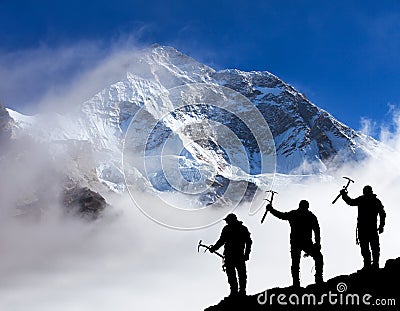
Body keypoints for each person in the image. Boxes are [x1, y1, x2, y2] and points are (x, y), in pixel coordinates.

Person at [266, 200, 323, 287]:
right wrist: (317, 243)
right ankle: (317, 278)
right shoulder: (310, 216)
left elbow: (281, 215)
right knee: (317, 257)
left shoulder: (294, 214)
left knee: (296, 263)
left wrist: (271, 210)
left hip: (296, 242)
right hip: (305, 243)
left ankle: (296, 283)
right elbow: (317, 230)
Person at [340, 185, 386, 270]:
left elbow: (351, 202)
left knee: (367, 248)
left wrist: (344, 195)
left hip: (364, 229)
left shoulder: (362, 199)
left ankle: (369, 265)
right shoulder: (375, 201)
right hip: (370, 229)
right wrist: (381, 226)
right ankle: (373, 265)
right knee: (373, 248)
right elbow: (382, 213)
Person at [209, 213, 252, 296]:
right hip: (236, 255)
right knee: (239, 274)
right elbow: (249, 242)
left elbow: (221, 241)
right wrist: (246, 254)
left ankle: (237, 292)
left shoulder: (228, 229)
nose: (226, 222)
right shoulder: (242, 228)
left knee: (236, 274)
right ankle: (238, 292)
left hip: (233, 255)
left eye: (227, 221)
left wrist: (214, 248)